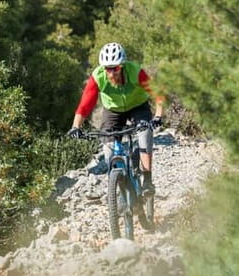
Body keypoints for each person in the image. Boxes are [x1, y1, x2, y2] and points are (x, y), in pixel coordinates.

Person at [67, 42, 165, 194]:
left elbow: (157, 93)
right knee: (108, 151)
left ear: (123, 65)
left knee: (144, 134)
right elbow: (85, 105)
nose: (112, 73)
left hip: (138, 106)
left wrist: (158, 116)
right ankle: (121, 189)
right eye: (108, 69)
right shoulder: (98, 77)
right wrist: (76, 127)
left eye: (116, 68)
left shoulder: (134, 71)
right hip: (113, 110)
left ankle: (147, 180)